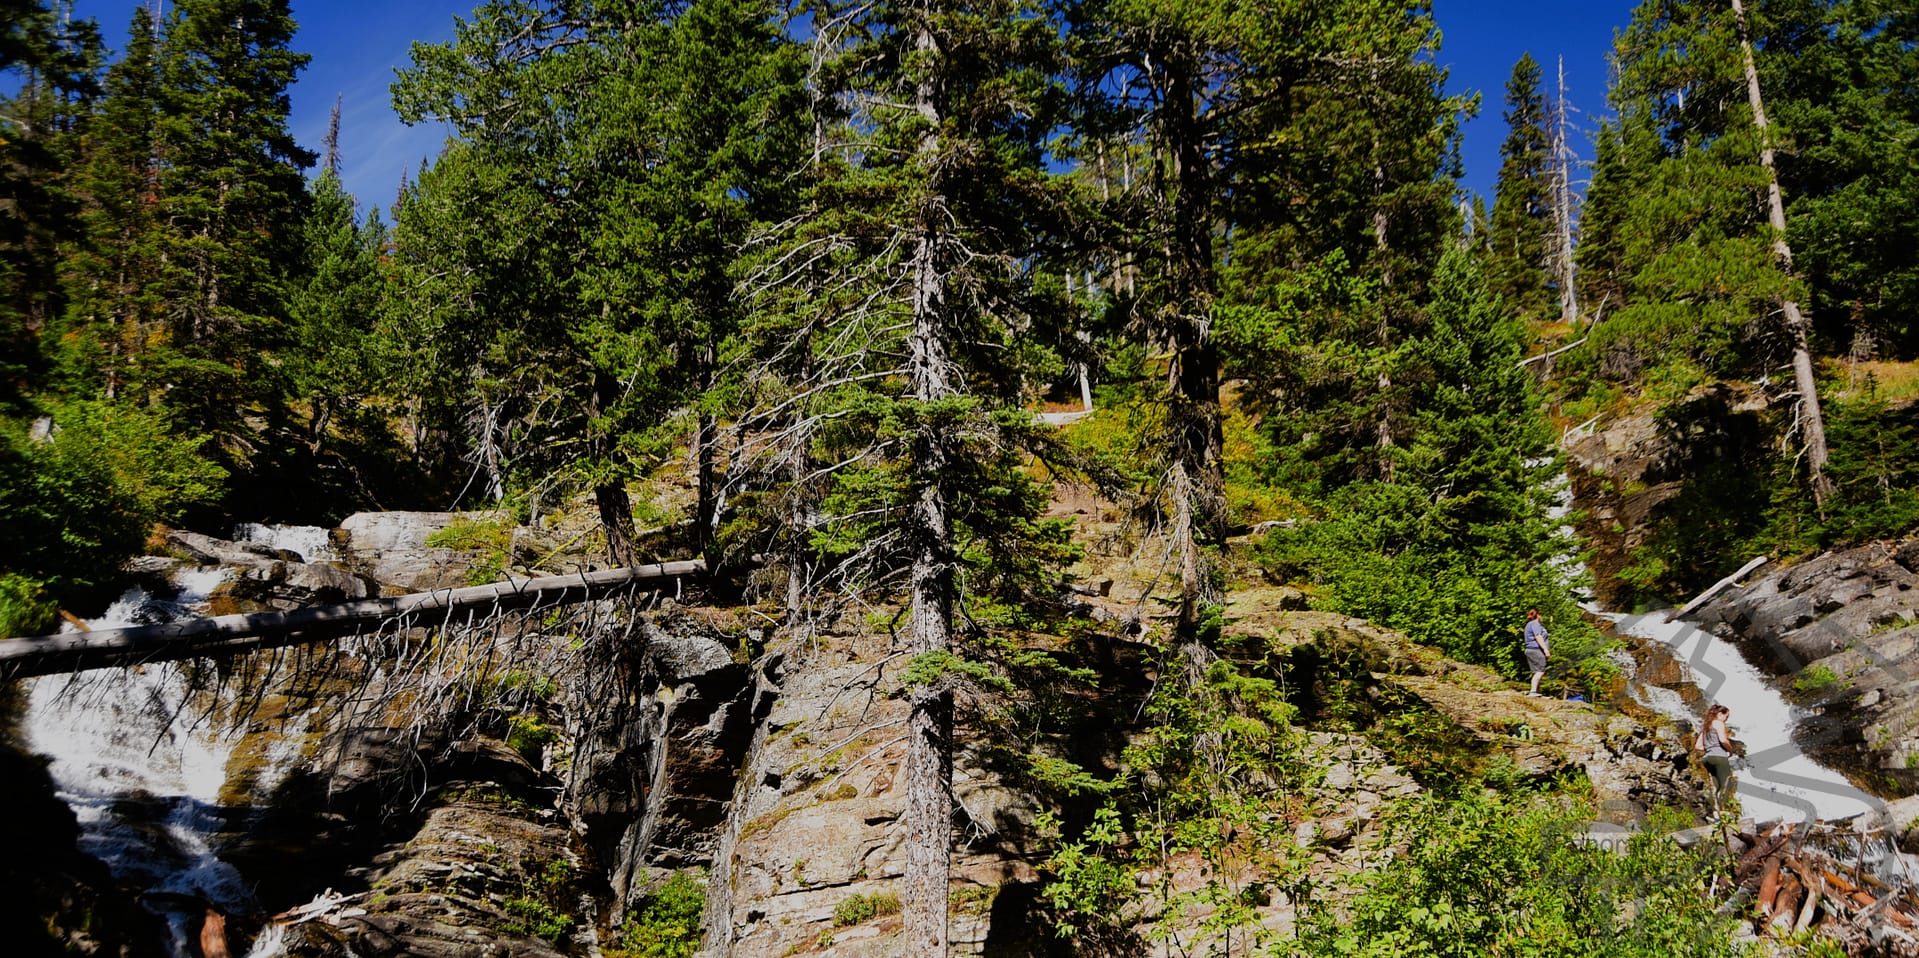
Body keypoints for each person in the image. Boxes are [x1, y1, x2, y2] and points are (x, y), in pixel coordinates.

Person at [1697, 704, 1736, 822]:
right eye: (1726, 716)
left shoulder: (1706, 727)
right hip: (1719, 757)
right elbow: (1723, 740)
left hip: (1707, 759)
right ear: (1719, 714)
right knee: (1727, 784)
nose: (1726, 720)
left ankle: (1716, 815)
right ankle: (1724, 813)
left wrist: (1709, 749)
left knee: (1715, 787)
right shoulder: (1718, 723)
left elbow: (1698, 746)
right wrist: (1730, 750)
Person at [1522, 609, 1551, 696]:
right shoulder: (1535, 624)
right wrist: (1546, 650)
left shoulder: (1529, 624)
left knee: (1536, 671)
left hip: (1531, 650)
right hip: (1536, 650)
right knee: (1540, 671)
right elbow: (1538, 636)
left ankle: (1537, 692)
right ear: (1538, 615)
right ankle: (1533, 691)